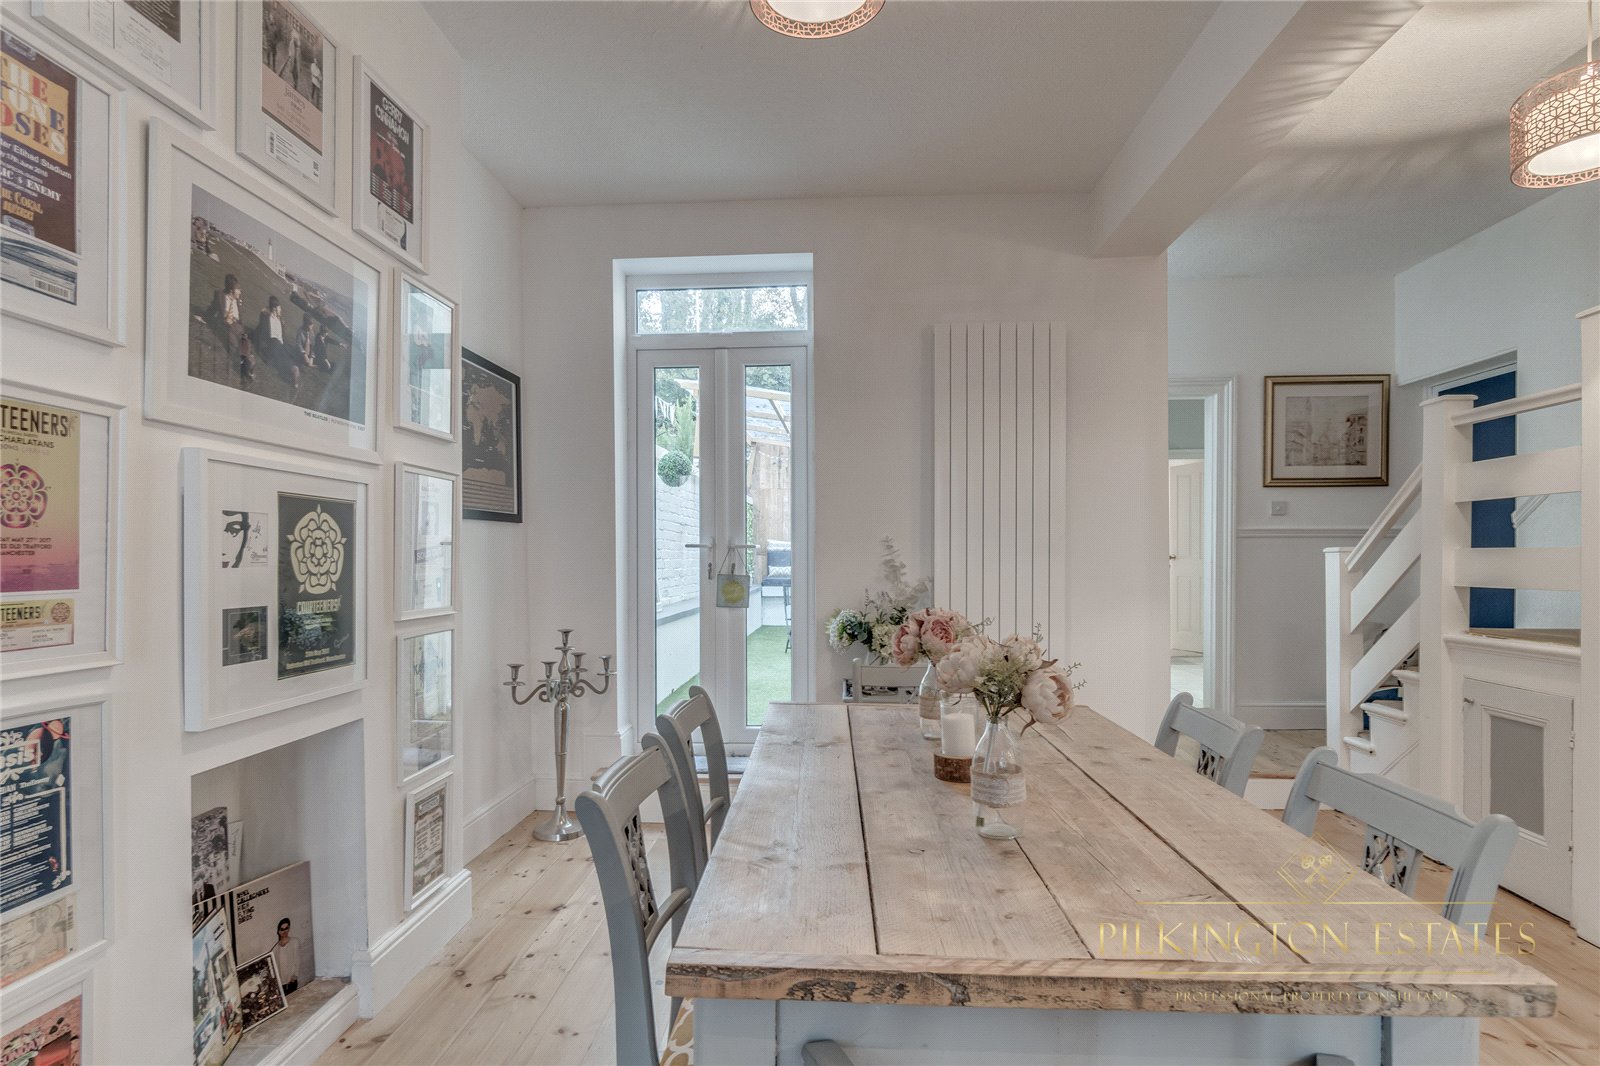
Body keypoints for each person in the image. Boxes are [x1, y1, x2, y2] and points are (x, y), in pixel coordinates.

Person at [254, 296, 299, 393]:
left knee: (288, 350)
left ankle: (292, 369)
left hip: (280, 346)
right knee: (277, 346)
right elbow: (261, 333)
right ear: (274, 308)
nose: (281, 310)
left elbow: (283, 338)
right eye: (279, 308)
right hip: (270, 345)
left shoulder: (280, 321)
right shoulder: (266, 317)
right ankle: (290, 370)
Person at [271, 918, 301, 995]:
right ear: (278, 931)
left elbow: (297, 959)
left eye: (286, 928)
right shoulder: (275, 949)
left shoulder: (295, 942)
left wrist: (295, 975)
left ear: (289, 928)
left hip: (292, 981)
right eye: (282, 929)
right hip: (281, 984)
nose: (284, 931)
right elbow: (274, 967)